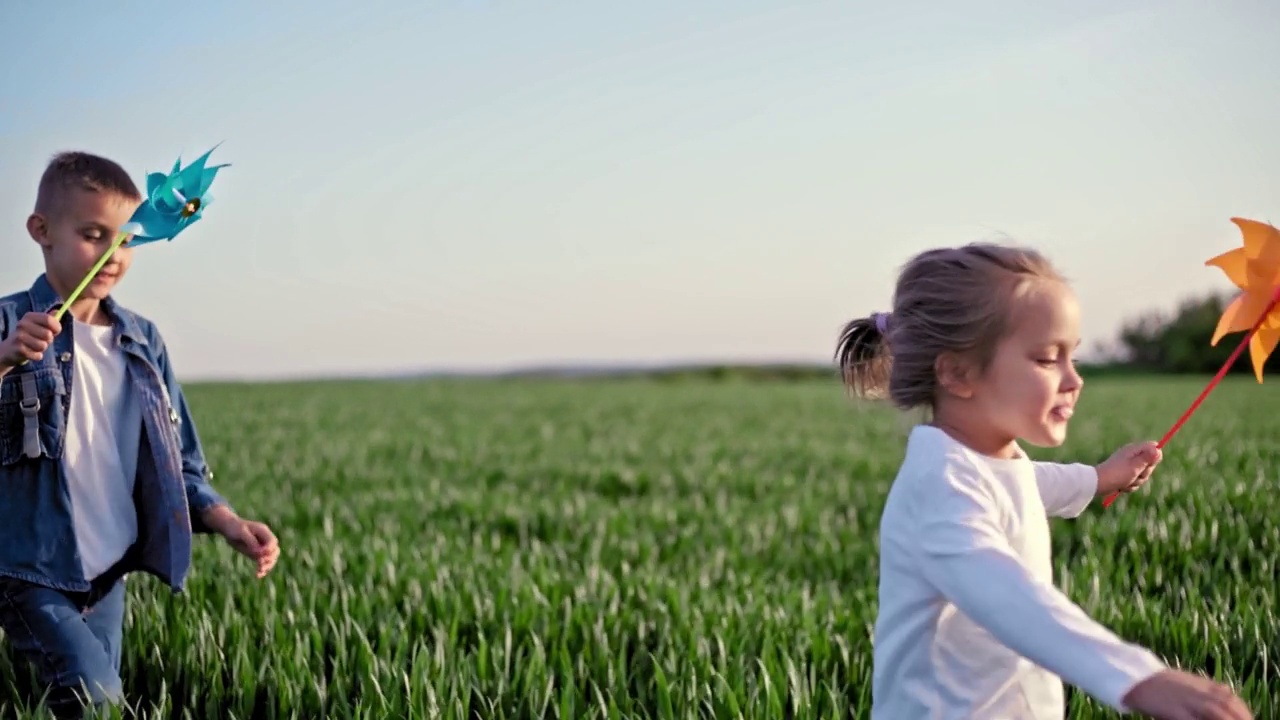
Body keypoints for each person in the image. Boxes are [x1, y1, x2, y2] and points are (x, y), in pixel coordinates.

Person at [837, 243, 1252, 719]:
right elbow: (1007, 596)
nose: (1074, 381)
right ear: (958, 372)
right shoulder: (941, 488)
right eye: (1046, 359)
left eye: (1071, 357)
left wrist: (1098, 478)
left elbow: (1022, 485)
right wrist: (1136, 677)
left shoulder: (984, 463)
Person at [0, 151, 282, 716]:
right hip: (28, 564)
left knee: (79, 703)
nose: (112, 254)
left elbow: (179, 458)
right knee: (98, 701)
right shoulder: (9, 324)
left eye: (125, 240)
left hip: (107, 570)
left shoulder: (143, 340)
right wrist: (5, 360)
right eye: (92, 234)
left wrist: (228, 522)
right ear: (42, 231)